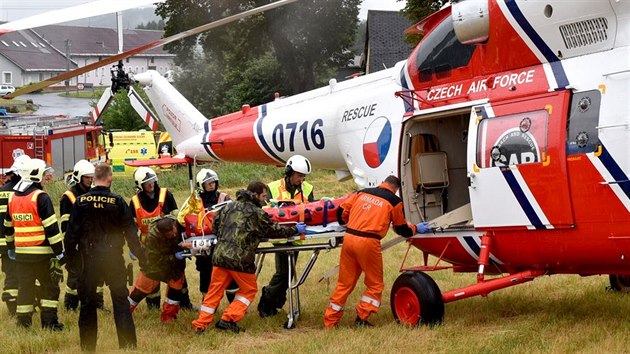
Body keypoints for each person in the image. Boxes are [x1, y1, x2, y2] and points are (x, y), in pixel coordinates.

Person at [192, 181, 304, 334]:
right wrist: (295, 229)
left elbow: (214, 226)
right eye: (263, 196)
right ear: (255, 195)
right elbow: (274, 230)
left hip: (220, 256)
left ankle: (200, 325)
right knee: (249, 290)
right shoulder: (256, 213)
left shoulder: (227, 207)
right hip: (240, 260)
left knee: (214, 291)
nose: (264, 200)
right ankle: (228, 319)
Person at [323, 175, 431, 328]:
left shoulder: (361, 193)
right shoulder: (394, 201)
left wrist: (355, 222)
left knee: (344, 283)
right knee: (375, 285)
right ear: (396, 189)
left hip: (350, 239)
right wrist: (416, 228)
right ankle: (361, 318)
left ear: (383, 183)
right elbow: (401, 229)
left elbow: (340, 214)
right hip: (368, 242)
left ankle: (330, 321)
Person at [65, 163, 145, 351]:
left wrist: (73, 262)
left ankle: (87, 348)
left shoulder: (81, 201)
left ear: (93, 178)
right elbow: (131, 234)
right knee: (120, 302)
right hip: (113, 260)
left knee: (87, 305)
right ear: (110, 178)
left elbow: (71, 236)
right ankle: (128, 347)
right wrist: (143, 258)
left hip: (88, 260)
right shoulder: (117, 201)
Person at [4, 158, 65, 330]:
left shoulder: (13, 198)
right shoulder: (41, 197)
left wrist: (11, 249)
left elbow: (8, 228)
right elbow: (52, 229)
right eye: (45, 174)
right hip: (42, 255)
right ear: (36, 175)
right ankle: (50, 323)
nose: (47, 177)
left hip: (22, 256)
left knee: (25, 289)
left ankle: (23, 323)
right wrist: (60, 253)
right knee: (50, 288)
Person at [258, 155, 315, 317]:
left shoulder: (307, 189)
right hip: (280, 236)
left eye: (303, 176)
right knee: (283, 273)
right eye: (299, 175)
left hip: (296, 236)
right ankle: (267, 302)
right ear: (289, 172)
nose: (301, 179)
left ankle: (275, 305)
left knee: (287, 273)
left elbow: (311, 209)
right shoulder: (273, 187)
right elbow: (265, 210)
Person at [129, 167, 193, 310]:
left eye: (152, 181)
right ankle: (153, 305)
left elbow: (178, 219)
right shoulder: (135, 202)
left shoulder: (166, 195)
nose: (151, 184)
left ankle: (184, 303)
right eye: (147, 183)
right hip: (148, 246)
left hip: (170, 242)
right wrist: (134, 248)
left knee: (177, 273)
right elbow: (131, 227)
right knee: (151, 275)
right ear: (140, 185)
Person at [60, 160, 104, 311]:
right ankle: (70, 305)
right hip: (77, 242)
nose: (90, 180)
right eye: (87, 177)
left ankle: (98, 303)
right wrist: (70, 245)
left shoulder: (93, 193)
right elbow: (65, 224)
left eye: (92, 177)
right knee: (75, 273)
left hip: (94, 241)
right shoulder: (69, 197)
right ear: (79, 177)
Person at [128, 216, 186, 323]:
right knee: (140, 291)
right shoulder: (152, 237)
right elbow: (154, 258)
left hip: (175, 267)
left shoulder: (179, 224)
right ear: (163, 234)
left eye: (174, 232)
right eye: (170, 235)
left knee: (175, 293)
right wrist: (174, 256)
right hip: (154, 268)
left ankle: (168, 319)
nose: (174, 235)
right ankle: (124, 312)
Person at [193, 168, 238, 301]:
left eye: (213, 181)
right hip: (204, 243)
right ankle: (207, 305)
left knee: (229, 273)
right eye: (208, 182)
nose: (211, 184)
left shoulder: (224, 198)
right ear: (202, 185)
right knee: (206, 274)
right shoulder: (195, 201)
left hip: (223, 241)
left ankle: (233, 304)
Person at [0, 154, 30, 316]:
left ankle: (12, 306)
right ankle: (23, 306)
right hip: (21, 242)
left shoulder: (0, 191)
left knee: (10, 274)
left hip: (3, 244)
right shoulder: (22, 193)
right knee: (24, 274)